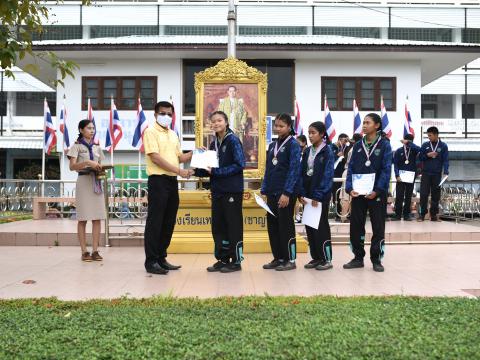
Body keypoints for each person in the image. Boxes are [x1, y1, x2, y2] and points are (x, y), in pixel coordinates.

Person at [143, 101, 193, 275]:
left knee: (168, 221)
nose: (167, 117)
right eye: (163, 113)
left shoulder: (173, 134)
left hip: (172, 181)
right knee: (155, 222)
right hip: (158, 181)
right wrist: (180, 171)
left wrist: (196, 153)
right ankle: (151, 261)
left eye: (170, 114)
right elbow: (156, 158)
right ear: (155, 114)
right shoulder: (150, 132)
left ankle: (161, 257)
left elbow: (179, 157)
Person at [194, 111, 246, 273]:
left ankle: (236, 261)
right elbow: (209, 170)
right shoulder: (212, 144)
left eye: (219, 120)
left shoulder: (233, 140)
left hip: (232, 191)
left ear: (226, 122)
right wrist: (197, 164)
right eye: (213, 121)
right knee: (218, 227)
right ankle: (222, 259)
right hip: (217, 191)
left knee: (233, 226)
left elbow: (240, 164)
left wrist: (217, 172)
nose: (216, 123)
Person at [344, 113, 392, 272]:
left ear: (377, 125)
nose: (364, 125)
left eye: (367, 123)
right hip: (358, 193)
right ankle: (358, 257)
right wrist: (350, 188)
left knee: (378, 226)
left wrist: (378, 190)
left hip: (376, 193)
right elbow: (350, 168)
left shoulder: (385, 145)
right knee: (356, 225)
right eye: (363, 123)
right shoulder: (357, 145)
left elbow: (386, 170)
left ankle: (376, 259)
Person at [261, 113, 301, 271]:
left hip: (284, 193)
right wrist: (264, 189)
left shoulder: (294, 145)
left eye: (281, 126)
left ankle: (290, 259)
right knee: (273, 226)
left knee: (286, 226)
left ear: (289, 127)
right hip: (271, 192)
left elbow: (294, 170)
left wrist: (287, 192)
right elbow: (268, 169)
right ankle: (278, 258)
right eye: (276, 125)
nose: (277, 128)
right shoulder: (272, 145)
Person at [67, 119, 106, 262]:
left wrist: (102, 169)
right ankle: (84, 252)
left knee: (97, 217)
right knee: (83, 218)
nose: (92, 130)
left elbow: (100, 165)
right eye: (89, 128)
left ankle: (95, 251)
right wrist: (88, 163)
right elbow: (72, 167)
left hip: (95, 182)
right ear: (81, 130)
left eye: (93, 128)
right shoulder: (76, 147)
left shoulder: (97, 147)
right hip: (83, 181)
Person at [299, 121, 335, 270]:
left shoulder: (327, 151)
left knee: (321, 227)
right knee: (310, 227)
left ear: (322, 134)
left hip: (320, 196)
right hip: (307, 197)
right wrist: (301, 193)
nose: (310, 135)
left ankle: (326, 259)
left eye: (313, 133)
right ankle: (315, 257)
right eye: (309, 133)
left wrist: (318, 195)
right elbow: (302, 173)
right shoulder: (307, 151)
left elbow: (328, 176)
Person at [418, 126, 449, 222]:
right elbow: (420, 158)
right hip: (426, 173)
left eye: (430, 135)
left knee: (436, 195)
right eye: (428, 136)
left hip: (437, 174)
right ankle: (422, 215)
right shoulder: (425, 145)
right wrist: (428, 155)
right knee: (423, 194)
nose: (429, 137)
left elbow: (446, 160)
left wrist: (446, 171)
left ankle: (434, 215)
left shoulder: (443, 146)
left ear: (436, 135)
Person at [393, 133, 421, 221]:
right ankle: (397, 214)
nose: (408, 143)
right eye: (407, 141)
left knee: (408, 196)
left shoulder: (414, 151)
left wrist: (409, 144)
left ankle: (406, 215)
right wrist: (397, 175)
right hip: (400, 177)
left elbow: (420, 149)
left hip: (410, 177)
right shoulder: (398, 151)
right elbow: (396, 165)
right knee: (399, 196)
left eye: (410, 141)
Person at [339, 133, 363, 222]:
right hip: (349, 172)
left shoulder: (353, 148)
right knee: (346, 197)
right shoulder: (356, 149)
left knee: (353, 197)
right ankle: (343, 217)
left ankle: (350, 217)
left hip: (353, 173)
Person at [331, 133, 350, 221]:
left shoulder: (346, 148)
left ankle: (343, 213)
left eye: (346, 141)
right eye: (344, 141)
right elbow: (329, 159)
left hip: (342, 175)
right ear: (339, 139)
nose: (345, 143)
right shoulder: (331, 147)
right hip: (334, 175)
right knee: (335, 195)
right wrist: (336, 156)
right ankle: (337, 214)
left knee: (341, 195)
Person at [295, 134, 308, 222]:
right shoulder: (296, 153)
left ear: (304, 143)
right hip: (297, 184)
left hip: (306, 184)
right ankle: (297, 215)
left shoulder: (308, 153)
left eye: (298, 143)